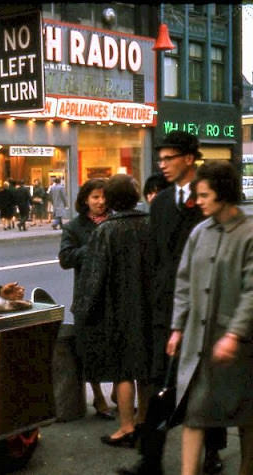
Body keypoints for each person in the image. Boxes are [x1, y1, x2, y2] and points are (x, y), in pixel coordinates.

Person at [118, 130, 226, 475]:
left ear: (189, 159)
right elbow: (156, 257)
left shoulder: (210, 198)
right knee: (161, 382)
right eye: (160, 159)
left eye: (169, 158)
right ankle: (150, 460)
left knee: (205, 384)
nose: (162, 165)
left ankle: (211, 452)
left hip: (206, 307)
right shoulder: (161, 203)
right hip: (168, 307)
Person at [166, 161, 253, 475]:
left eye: (204, 195)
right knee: (195, 412)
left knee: (246, 415)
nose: (198, 201)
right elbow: (184, 282)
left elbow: (251, 291)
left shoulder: (248, 234)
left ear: (224, 193)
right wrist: (177, 327)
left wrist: (234, 334)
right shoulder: (199, 232)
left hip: (241, 348)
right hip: (199, 345)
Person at [71, 174, 152, 449]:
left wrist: (82, 310)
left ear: (112, 201)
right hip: (148, 305)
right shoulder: (149, 224)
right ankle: (144, 420)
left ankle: (126, 427)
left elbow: (93, 277)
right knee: (146, 368)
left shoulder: (106, 231)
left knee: (123, 370)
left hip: (116, 309)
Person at [58, 178, 114, 420]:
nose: (101, 202)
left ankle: (119, 393)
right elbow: (65, 258)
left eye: (104, 197)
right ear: (85, 200)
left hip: (114, 293)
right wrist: (93, 247)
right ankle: (98, 396)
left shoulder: (115, 221)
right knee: (89, 348)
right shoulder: (74, 227)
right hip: (87, 296)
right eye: (95, 198)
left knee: (117, 345)